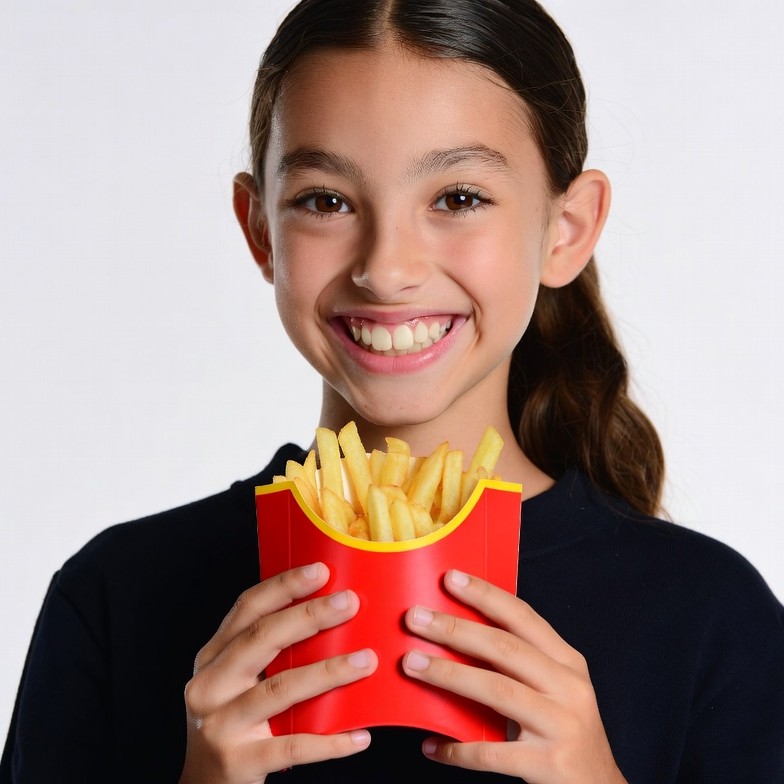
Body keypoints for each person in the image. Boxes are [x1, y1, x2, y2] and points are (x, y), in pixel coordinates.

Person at [2, 0, 783, 781]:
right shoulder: (116, 598)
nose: (386, 267)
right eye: (326, 201)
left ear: (567, 229)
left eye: (458, 198)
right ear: (259, 229)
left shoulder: (713, 619)